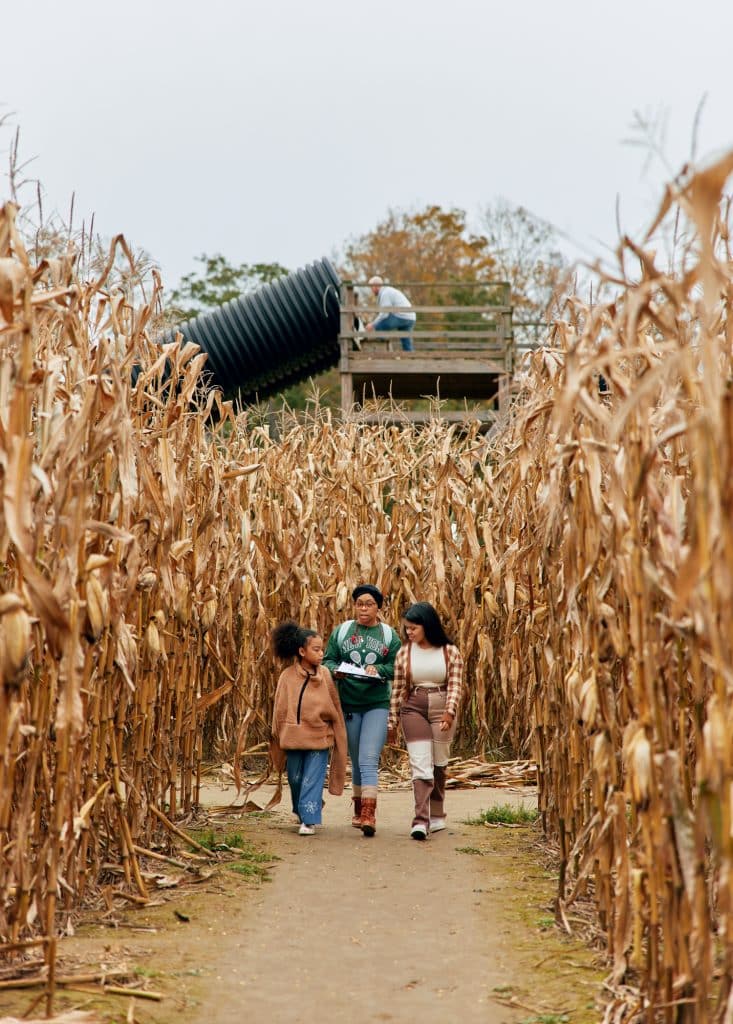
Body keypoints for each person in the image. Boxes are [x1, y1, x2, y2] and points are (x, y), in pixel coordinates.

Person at [323, 584, 401, 836]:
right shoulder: (343, 631)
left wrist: (378, 670)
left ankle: (369, 814)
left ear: (378, 607)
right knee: (356, 758)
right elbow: (328, 659)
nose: (363, 608)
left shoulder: (389, 635)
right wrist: (336, 670)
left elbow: (397, 666)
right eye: (359, 604)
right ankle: (358, 809)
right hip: (348, 702)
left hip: (376, 703)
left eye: (369, 604)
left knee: (368, 757)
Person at [387, 602, 464, 840]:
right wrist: (392, 723)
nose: (409, 633)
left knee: (439, 762)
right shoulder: (404, 653)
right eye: (407, 629)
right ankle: (421, 820)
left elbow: (455, 684)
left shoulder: (449, 651)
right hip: (414, 707)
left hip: (442, 705)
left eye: (413, 628)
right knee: (420, 762)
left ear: (427, 626)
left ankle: (437, 812)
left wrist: (449, 712)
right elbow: (398, 689)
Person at [271, 621, 347, 836]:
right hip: (293, 738)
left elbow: (335, 708)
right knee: (295, 779)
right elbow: (279, 708)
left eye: (322, 649)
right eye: (316, 649)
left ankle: (309, 820)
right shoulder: (286, 677)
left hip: (319, 738)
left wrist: (339, 736)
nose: (321, 653)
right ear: (301, 651)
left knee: (312, 778)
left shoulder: (325, 676)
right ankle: (303, 808)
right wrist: (278, 735)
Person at [365, 275, 416, 352]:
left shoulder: (385, 293)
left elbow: (384, 314)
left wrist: (372, 324)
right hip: (410, 317)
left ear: (376, 286)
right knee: (406, 342)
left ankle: (382, 352)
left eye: (371, 287)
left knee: (379, 326)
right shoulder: (388, 291)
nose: (371, 290)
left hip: (401, 316)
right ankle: (411, 361)